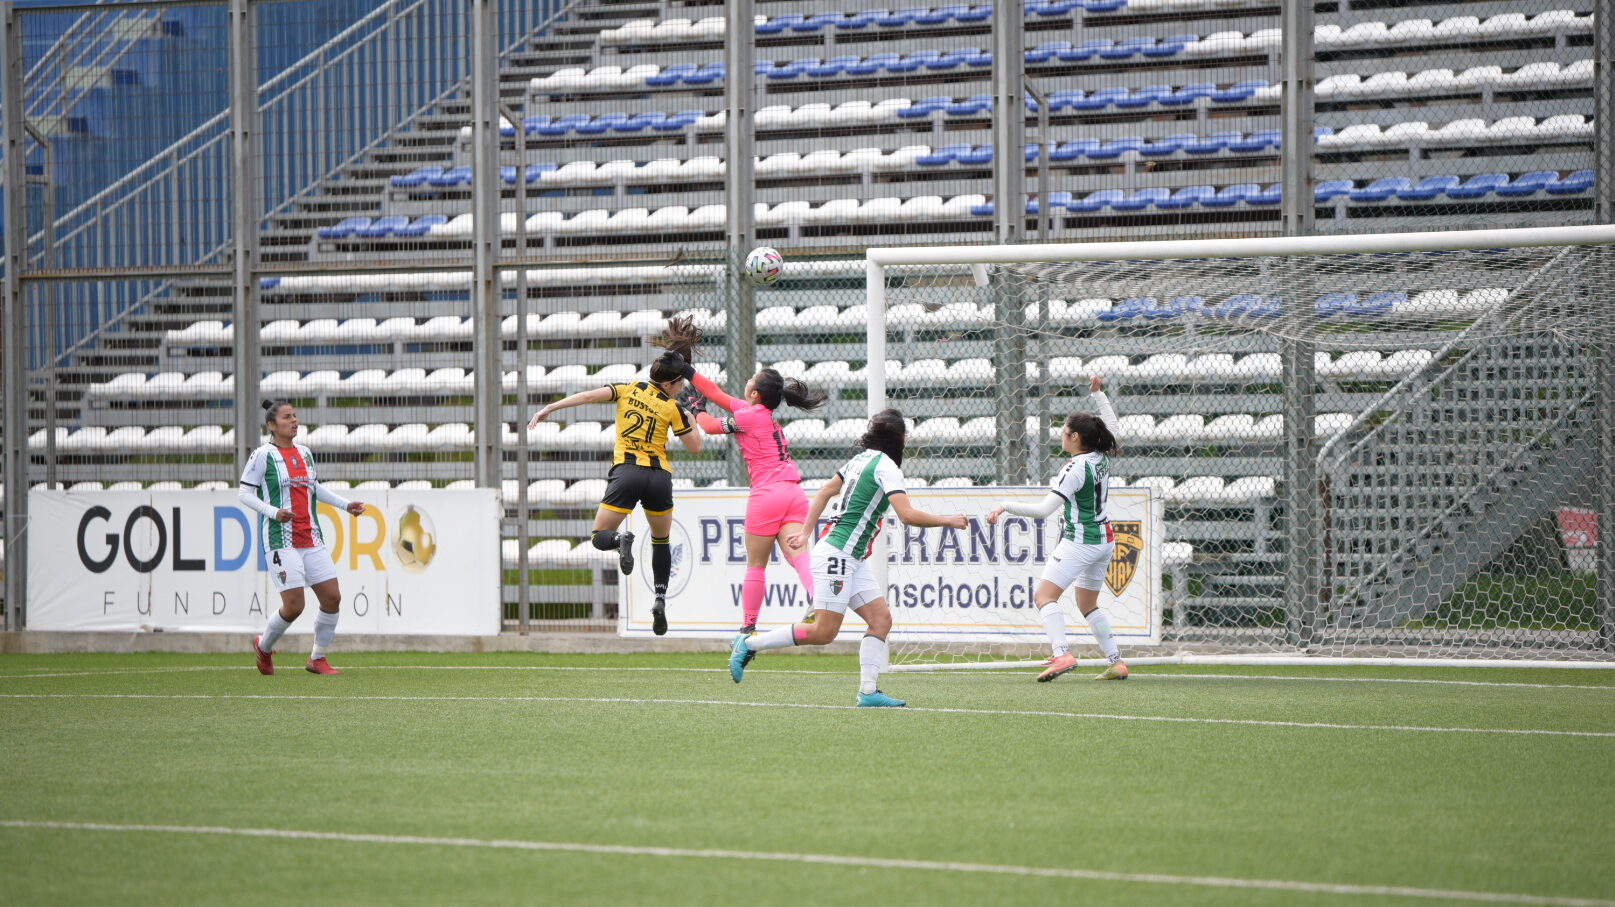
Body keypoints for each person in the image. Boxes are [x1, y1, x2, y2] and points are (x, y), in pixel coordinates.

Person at [728, 408, 967, 707]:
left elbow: (825, 491)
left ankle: (868, 692)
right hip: (837, 555)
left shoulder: (860, 459)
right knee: (823, 632)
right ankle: (748, 644)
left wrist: (805, 533)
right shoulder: (887, 467)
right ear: (901, 438)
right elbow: (906, 515)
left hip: (847, 556)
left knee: (880, 619)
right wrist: (948, 520)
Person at [527, 318, 703, 635]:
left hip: (627, 473)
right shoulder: (674, 408)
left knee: (599, 537)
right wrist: (691, 416)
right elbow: (695, 447)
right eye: (681, 384)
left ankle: (621, 540)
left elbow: (584, 397)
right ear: (673, 383)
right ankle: (660, 599)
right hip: (659, 477)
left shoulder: (625, 389)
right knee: (661, 540)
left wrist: (548, 408)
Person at [669, 328, 825, 634]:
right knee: (798, 556)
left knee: (756, 565)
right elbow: (716, 393)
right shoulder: (758, 412)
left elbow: (712, 426)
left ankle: (747, 628)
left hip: (767, 495)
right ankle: (820, 601)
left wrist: (695, 410)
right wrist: (688, 371)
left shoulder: (750, 416)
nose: (746, 382)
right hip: (794, 493)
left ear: (754, 393)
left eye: (750, 380)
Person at [986, 376, 1127, 682]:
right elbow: (1114, 427)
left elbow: (1043, 510)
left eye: (1064, 431)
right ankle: (1116, 661)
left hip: (1080, 540)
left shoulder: (1074, 469)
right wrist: (1098, 395)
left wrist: (1005, 505)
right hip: (1104, 539)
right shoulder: (1101, 455)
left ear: (1075, 437)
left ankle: (1062, 653)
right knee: (1087, 603)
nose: (1060, 435)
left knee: (1043, 596)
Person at [242, 399, 367, 676]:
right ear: (272, 425)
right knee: (295, 605)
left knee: (332, 597)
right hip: (280, 539)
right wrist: (274, 512)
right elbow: (244, 494)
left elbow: (314, 489)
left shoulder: (305, 453)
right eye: (287, 417)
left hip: (310, 537)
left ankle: (317, 658)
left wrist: (346, 505)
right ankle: (264, 647)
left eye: (295, 416)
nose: (294, 420)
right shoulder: (263, 455)